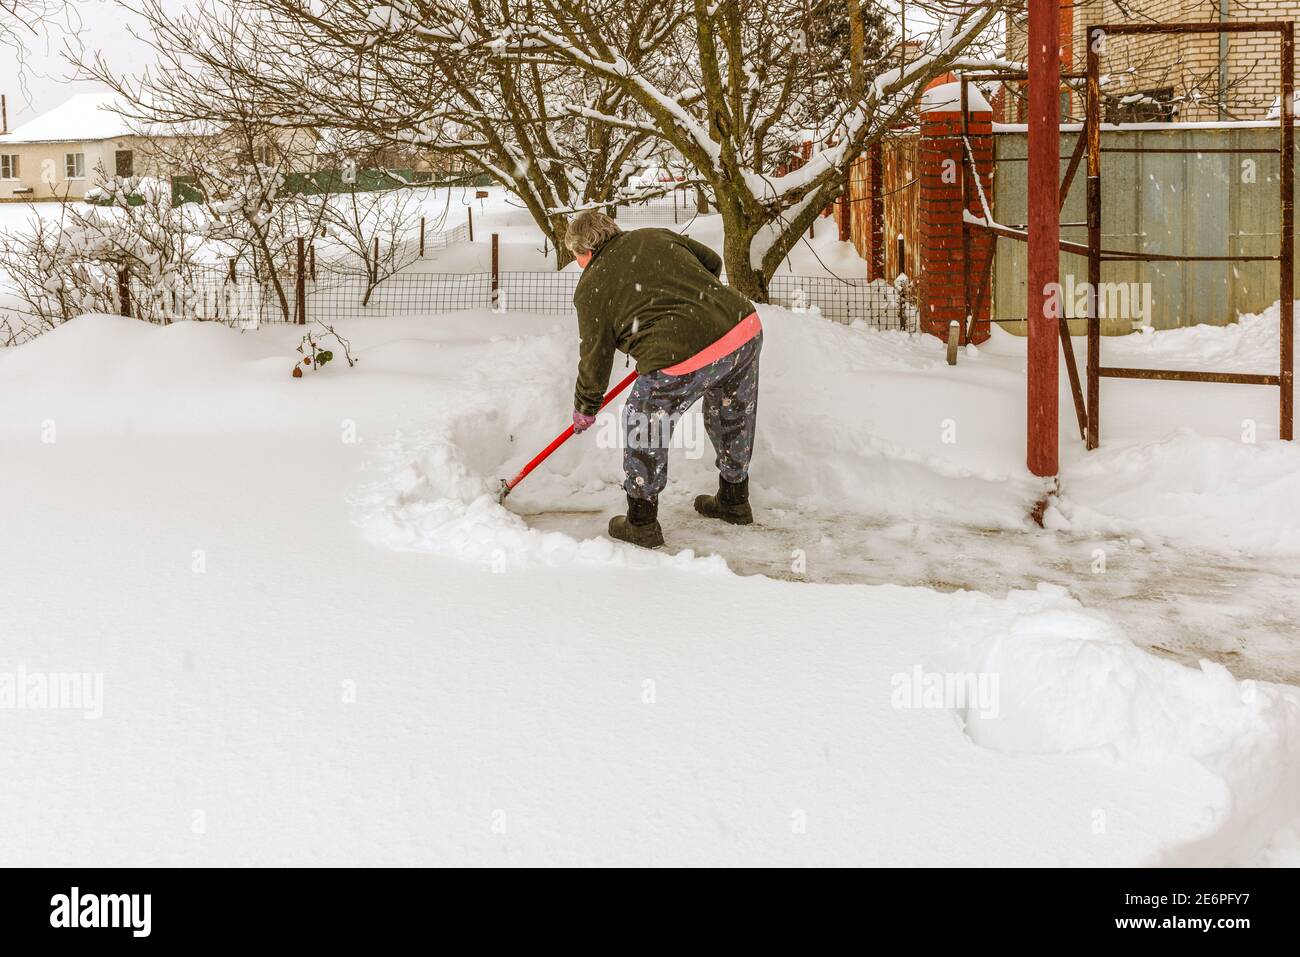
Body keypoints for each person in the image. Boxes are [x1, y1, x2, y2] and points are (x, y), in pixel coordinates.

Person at [566, 210, 763, 548]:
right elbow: (712, 262)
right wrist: (694, 298)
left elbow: (596, 354)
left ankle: (641, 522)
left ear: (584, 250)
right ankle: (734, 498)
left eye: (576, 256)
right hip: (741, 329)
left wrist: (586, 404)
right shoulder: (654, 235)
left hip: (678, 354)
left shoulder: (591, 285)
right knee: (731, 412)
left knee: (644, 424)